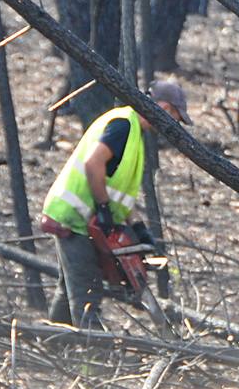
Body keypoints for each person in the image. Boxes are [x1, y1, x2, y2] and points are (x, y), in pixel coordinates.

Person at [40, 80, 192, 328]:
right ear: (164, 108)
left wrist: (139, 228)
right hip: (75, 217)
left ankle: (52, 343)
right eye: (175, 116)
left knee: (70, 289)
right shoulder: (123, 125)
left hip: (82, 217)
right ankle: (95, 361)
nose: (173, 124)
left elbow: (115, 188)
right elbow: (93, 164)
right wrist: (102, 209)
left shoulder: (133, 133)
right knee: (87, 295)